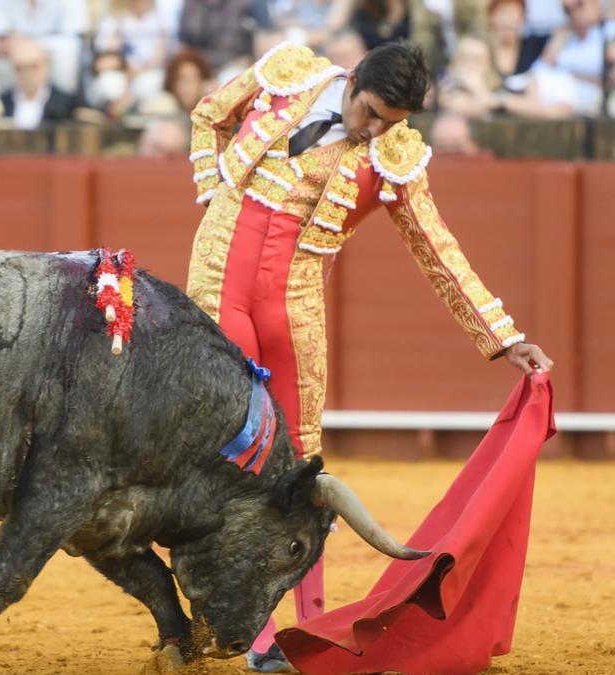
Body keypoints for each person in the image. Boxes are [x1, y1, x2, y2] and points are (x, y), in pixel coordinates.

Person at [184, 41, 553, 672]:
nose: (376, 129)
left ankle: (313, 622)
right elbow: (208, 114)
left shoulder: (392, 152)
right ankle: (257, 631)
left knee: (300, 458)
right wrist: (212, 188)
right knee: (235, 449)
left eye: (392, 121)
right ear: (351, 82)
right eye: (372, 112)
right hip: (219, 275)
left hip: (292, 297)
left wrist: (504, 335)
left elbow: (438, 247)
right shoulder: (289, 71)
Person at [0, 0, 89, 95]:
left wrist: (31, 45)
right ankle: (2, 110)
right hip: (11, 57)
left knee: (66, 59)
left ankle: (61, 110)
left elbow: (74, 39)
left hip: (50, 57)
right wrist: (11, 46)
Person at [0, 38, 77, 130]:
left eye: (33, 67)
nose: (27, 74)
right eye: (20, 68)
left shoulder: (68, 104)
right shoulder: (1, 103)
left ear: (46, 65)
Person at [178, 0, 255, 75]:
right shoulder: (191, 4)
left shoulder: (243, 5)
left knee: (231, 76)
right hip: (198, 66)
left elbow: (248, 52)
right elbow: (185, 43)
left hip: (231, 65)